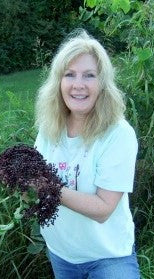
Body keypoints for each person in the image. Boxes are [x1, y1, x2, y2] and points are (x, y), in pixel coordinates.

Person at [34, 29, 140, 279]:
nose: (78, 84)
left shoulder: (117, 133)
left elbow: (103, 209)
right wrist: (15, 174)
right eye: (69, 75)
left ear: (102, 83)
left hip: (108, 258)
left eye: (89, 75)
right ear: (58, 82)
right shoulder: (50, 128)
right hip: (61, 254)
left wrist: (45, 186)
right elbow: (35, 182)